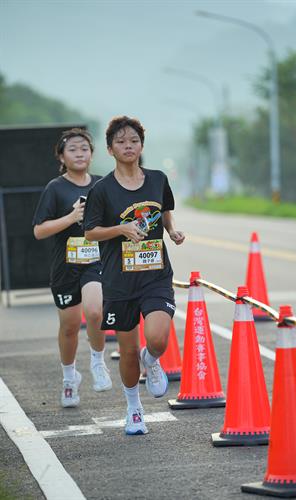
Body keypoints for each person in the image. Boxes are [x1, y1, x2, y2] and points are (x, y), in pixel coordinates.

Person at [84, 116, 185, 435]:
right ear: (110, 149)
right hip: (119, 279)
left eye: (134, 141)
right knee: (126, 350)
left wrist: (171, 230)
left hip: (155, 274)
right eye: (121, 142)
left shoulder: (157, 178)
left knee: (157, 338)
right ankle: (133, 408)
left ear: (142, 145)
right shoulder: (103, 189)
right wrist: (120, 229)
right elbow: (90, 233)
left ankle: (151, 360)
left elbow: (164, 208)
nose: (129, 146)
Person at [32, 128, 112, 408]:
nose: (80, 154)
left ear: (92, 154)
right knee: (68, 327)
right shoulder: (55, 188)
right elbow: (40, 231)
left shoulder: (103, 184)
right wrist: (71, 217)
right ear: (62, 156)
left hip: (95, 262)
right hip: (65, 266)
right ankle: (69, 378)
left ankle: (98, 361)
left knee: (95, 311)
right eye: (73, 149)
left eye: (84, 149)